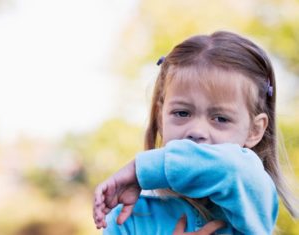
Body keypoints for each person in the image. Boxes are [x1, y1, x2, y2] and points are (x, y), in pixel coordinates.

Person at [93, 31, 298, 234]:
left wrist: (142, 169)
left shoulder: (251, 192)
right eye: (182, 113)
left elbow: (232, 167)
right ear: (160, 118)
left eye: (220, 118)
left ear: (254, 131)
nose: (197, 131)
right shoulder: (130, 215)